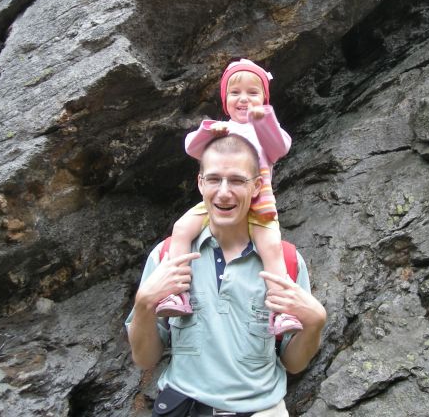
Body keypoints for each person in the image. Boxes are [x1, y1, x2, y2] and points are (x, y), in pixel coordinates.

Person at [126, 135, 327, 417]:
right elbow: (145, 359)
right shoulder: (167, 256)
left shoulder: (286, 262)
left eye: (236, 180)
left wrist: (315, 323)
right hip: (184, 409)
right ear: (200, 183)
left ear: (257, 186)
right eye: (213, 179)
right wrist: (143, 304)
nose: (223, 192)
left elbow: (294, 363)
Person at [156, 59, 300, 335]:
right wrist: (207, 132)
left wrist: (264, 118)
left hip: (258, 203)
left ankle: (282, 311)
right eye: (235, 93)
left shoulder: (266, 130)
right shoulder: (222, 128)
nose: (243, 99)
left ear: (264, 98)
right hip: (218, 200)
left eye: (252, 92)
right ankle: (174, 293)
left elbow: (280, 147)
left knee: (272, 249)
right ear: (225, 100)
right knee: (182, 228)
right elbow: (191, 148)